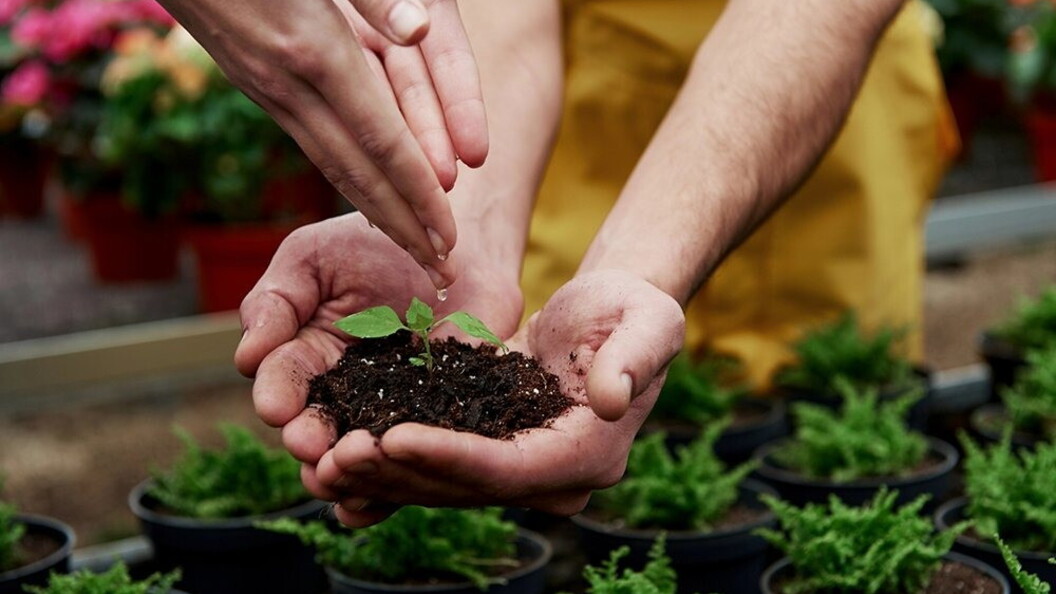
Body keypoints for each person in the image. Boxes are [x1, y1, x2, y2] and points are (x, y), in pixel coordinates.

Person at [169, 0, 952, 527]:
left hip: (790, 112)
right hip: (564, 120)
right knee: (572, 436)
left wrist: (641, 269)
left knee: (820, 449)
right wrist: (452, 227)